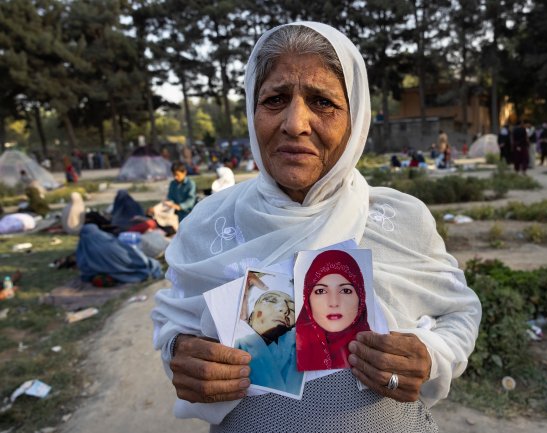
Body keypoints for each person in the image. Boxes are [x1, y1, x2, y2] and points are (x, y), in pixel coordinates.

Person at [151, 22, 480, 432]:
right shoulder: (211, 224)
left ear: (355, 117)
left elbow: (459, 312)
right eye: (274, 99)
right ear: (252, 112)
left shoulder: (401, 219)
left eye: (322, 101)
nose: (295, 123)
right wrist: (181, 352)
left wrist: (430, 355)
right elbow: (173, 321)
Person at [295, 249, 370, 371]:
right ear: (308, 300)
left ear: (360, 297)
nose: (334, 303)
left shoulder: (380, 348)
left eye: (345, 290)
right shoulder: (285, 353)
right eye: (321, 291)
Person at [234, 274, 302, 396]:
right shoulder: (233, 346)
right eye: (271, 300)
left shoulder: (301, 352)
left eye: (292, 309)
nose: (285, 310)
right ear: (251, 314)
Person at [76, 224, 162, 284]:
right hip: (133, 261)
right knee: (145, 262)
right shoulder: (108, 238)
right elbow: (128, 250)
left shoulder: (87, 247)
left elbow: (85, 269)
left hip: (115, 271)